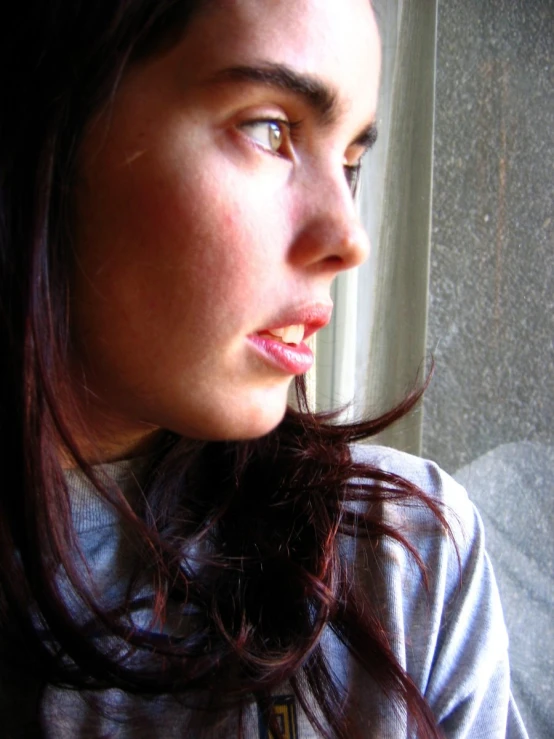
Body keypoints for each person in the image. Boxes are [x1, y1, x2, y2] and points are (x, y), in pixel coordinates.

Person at [0, 1, 528, 737]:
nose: (350, 237)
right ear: (47, 123)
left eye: (350, 163)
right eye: (269, 129)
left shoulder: (403, 565)